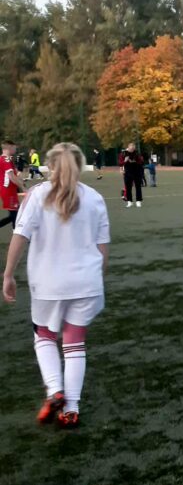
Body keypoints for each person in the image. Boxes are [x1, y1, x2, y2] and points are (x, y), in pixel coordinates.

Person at [3, 143, 110, 429]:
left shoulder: (38, 194)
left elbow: (20, 236)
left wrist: (8, 274)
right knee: (75, 344)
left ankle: (55, 390)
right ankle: (71, 409)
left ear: (50, 166)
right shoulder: (95, 198)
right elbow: (103, 250)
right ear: (80, 165)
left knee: (44, 336)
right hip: (86, 283)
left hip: (49, 283)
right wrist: (96, 278)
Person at [1, 140, 25, 229]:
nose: (15, 150)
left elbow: (13, 175)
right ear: (9, 147)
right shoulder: (6, 160)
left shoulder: (7, 159)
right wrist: (23, 187)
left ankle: (16, 231)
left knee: (15, 214)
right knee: (15, 215)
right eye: (14, 148)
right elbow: (11, 177)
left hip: (10, 190)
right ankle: (17, 232)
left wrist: (20, 180)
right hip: (8, 191)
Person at [119, 143, 145, 208]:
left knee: (138, 187)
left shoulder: (137, 153)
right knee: (128, 188)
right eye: (131, 149)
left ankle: (138, 201)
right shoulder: (123, 154)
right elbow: (120, 163)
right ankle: (129, 201)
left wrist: (135, 161)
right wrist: (125, 161)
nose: (132, 150)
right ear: (128, 147)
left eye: (133, 149)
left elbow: (142, 162)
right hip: (127, 172)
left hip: (137, 172)